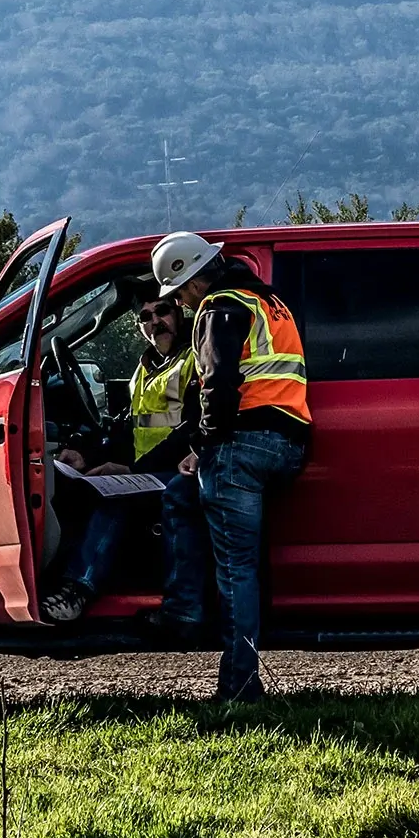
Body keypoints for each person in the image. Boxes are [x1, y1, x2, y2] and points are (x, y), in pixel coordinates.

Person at [151, 231, 311, 701]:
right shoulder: (269, 303)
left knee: (236, 571)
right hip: (287, 443)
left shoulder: (217, 307)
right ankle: (183, 607)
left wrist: (201, 446)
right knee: (180, 497)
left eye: (177, 293)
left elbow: (218, 386)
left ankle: (240, 688)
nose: (179, 304)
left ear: (193, 280)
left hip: (241, 445)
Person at [42, 292, 196, 622]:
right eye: (145, 317)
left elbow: (190, 430)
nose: (155, 321)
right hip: (153, 470)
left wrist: (132, 470)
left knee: (116, 497)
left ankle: (78, 589)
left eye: (162, 311)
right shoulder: (147, 368)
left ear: (179, 312)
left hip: (185, 470)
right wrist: (85, 454)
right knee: (95, 485)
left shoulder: (195, 358)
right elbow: (130, 426)